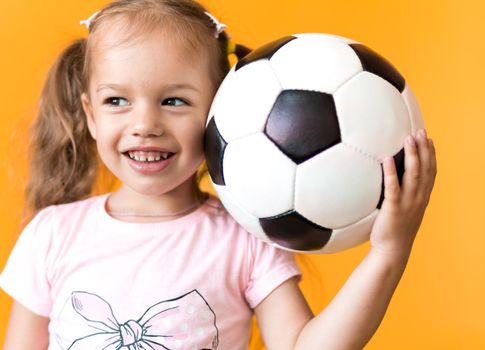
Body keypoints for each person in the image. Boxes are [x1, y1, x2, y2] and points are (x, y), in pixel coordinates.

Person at [0, 0, 437, 349]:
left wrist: (387, 253)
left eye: (174, 101)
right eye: (117, 101)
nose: (145, 123)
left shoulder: (242, 240)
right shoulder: (52, 235)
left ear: (218, 115)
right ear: (90, 115)